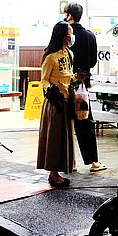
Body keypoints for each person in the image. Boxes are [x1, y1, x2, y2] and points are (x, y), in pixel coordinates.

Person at [63, 2, 105, 172]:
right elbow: (93, 61)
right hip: (82, 87)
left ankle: (66, 162)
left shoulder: (65, 34)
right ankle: (94, 162)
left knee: (64, 124)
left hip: (65, 85)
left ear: (70, 16)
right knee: (85, 122)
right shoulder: (90, 36)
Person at [37, 21, 77, 188]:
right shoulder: (50, 57)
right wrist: (51, 91)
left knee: (63, 138)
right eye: (69, 33)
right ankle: (53, 174)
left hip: (67, 101)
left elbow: (67, 76)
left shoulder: (69, 54)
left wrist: (76, 78)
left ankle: (58, 171)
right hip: (55, 103)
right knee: (54, 138)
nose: (71, 36)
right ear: (62, 35)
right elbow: (44, 80)